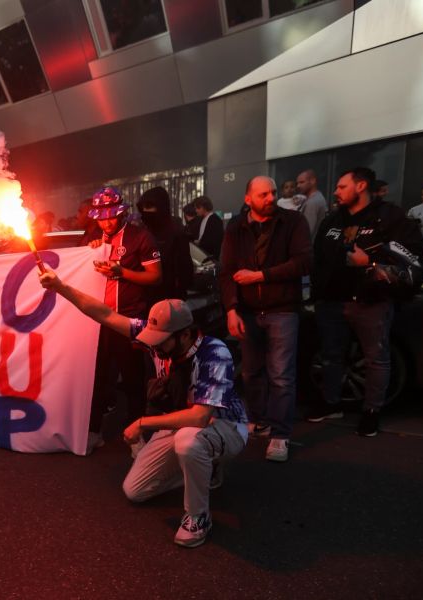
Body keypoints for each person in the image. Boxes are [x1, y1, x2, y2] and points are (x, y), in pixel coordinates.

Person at [39, 270, 248, 547]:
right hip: (182, 424)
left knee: (188, 442)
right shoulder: (159, 341)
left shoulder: (214, 352)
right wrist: (61, 287)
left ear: (185, 335)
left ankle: (198, 517)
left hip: (223, 426)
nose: (153, 347)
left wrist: (142, 423)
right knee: (135, 490)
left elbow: (200, 417)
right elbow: (104, 314)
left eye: (161, 341)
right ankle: (203, 468)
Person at [308, 167, 423, 436]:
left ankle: (371, 411)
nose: (335, 192)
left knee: (376, 359)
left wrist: (370, 264)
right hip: (331, 302)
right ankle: (331, 403)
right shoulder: (332, 220)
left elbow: (415, 261)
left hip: (371, 302)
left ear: (360, 186)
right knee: (330, 356)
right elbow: (318, 256)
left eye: (341, 187)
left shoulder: (390, 217)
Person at [220, 176, 311, 462]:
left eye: (272, 192)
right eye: (263, 194)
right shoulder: (236, 227)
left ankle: (280, 435)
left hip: (282, 308)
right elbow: (227, 271)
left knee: (281, 375)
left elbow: (304, 262)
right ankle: (258, 421)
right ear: (248, 199)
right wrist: (231, 309)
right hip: (247, 309)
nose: (270, 198)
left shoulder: (293, 221)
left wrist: (261, 275)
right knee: (251, 372)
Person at [85, 186, 162, 452]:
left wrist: (123, 272)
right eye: (101, 217)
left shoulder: (140, 236)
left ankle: (136, 435)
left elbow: (155, 276)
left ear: (121, 212)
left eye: (111, 216)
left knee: (132, 378)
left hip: (128, 318)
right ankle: (93, 431)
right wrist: (90, 251)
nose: (106, 221)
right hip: (97, 320)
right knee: (96, 378)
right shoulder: (93, 236)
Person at [138, 186, 193, 300]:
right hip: (145, 295)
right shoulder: (142, 230)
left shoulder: (176, 231)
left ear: (161, 207)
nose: (145, 211)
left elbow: (185, 268)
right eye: (143, 208)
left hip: (171, 296)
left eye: (149, 207)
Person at [295, 169, 329, 239]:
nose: (298, 186)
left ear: (313, 181)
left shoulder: (312, 202)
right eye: (297, 183)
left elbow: (306, 232)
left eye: (302, 182)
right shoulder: (318, 196)